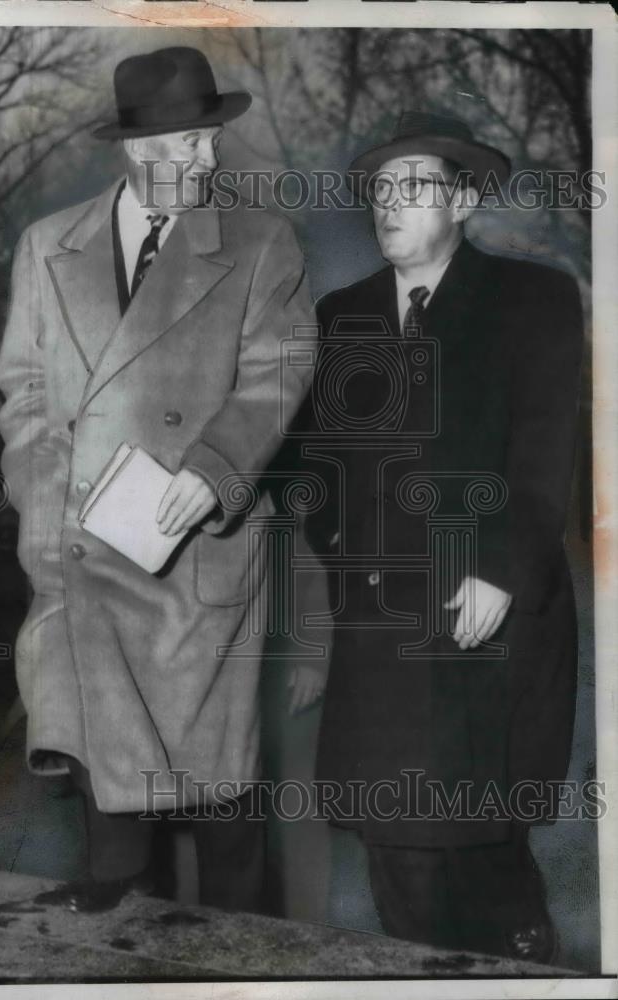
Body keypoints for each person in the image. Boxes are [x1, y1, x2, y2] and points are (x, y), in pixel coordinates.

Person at [0, 45, 315, 913]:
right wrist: (40, 501)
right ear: (140, 150)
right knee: (109, 792)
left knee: (219, 794)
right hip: (82, 542)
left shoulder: (259, 244)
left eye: (209, 141)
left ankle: (246, 955)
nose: (207, 159)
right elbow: (23, 392)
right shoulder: (44, 247)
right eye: (187, 145)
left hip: (197, 549)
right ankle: (113, 937)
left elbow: (279, 370)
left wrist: (214, 472)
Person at [307, 110, 583, 962]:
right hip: (382, 639)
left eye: (414, 185)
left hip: (487, 621)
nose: (389, 205)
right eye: (380, 189)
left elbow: (544, 452)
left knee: (481, 850)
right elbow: (317, 466)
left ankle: (521, 968)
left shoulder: (530, 299)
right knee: (397, 856)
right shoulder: (342, 313)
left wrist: (498, 569)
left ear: (461, 199)